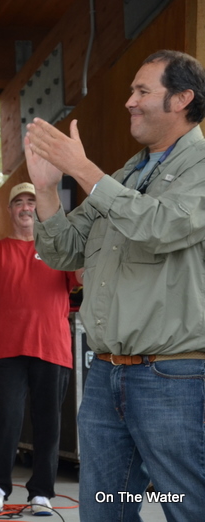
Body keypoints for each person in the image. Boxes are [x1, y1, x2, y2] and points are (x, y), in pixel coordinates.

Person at [25, 50, 205, 521]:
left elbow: (160, 227)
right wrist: (46, 189)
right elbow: (65, 251)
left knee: (185, 505)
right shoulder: (129, 173)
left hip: (173, 377)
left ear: (182, 99)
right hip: (107, 375)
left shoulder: (200, 167)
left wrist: (84, 170)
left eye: (143, 91)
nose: (130, 101)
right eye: (131, 91)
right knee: (106, 508)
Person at [0, 182, 78, 516]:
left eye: (32, 201)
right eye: (19, 202)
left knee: (48, 423)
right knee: (6, 417)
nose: (26, 207)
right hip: (8, 348)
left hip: (52, 347)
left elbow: (83, 277)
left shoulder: (58, 249)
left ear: (40, 209)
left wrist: (85, 243)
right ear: (10, 210)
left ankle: (41, 493)